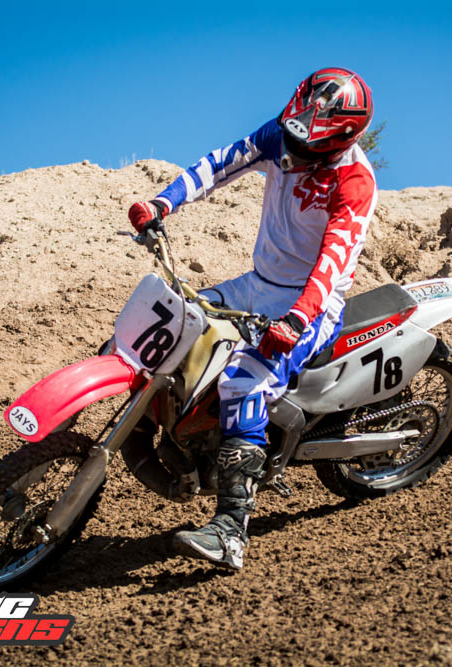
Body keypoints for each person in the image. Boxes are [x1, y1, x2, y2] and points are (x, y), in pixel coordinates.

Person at [128, 67, 378, 569]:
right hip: (258, 281)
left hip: (312, 302)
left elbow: (333, 262)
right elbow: (219, 164)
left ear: (340, 141)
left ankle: (231, 531)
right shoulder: (283, 132)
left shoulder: (353, 182)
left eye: (306, 147)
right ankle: (139, 432)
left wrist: (297, 319)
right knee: (170, 323)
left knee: (242, 382)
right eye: (291, 135)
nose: (291, 152)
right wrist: (162, 202)